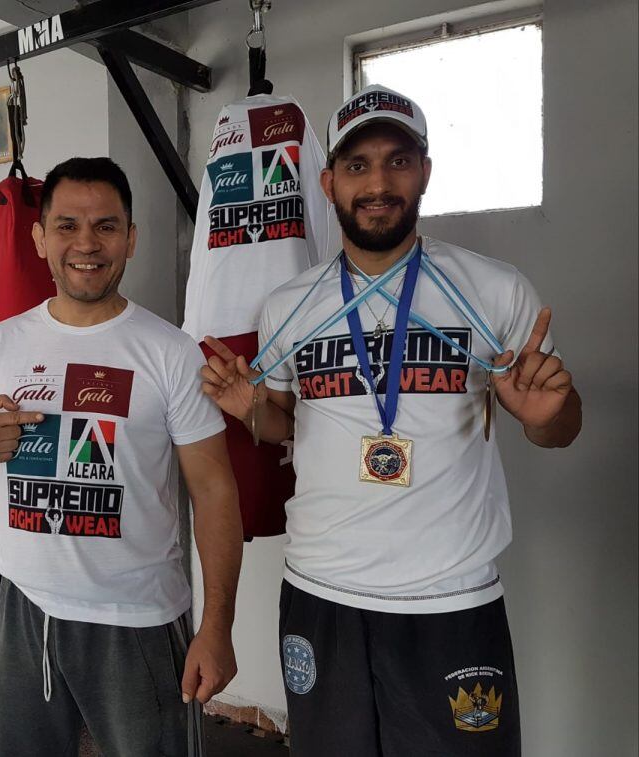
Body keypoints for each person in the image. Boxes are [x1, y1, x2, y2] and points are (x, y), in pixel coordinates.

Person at [201, 84, 581, 756]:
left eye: (397, 161)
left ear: (425, 171)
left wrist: (544, 416)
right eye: (357, 166)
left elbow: (559, 425)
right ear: (328, 183)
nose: (378, 183)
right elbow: (289, 425)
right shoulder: (290, 305)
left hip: (449, 601)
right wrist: (252, 410)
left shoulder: (495, 290)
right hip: (321, 597)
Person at [0, 157, 243, 756]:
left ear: (131, 238)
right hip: (24, 610)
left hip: (138, 619)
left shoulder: (169, 352)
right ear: (38, 237)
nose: (87, 244)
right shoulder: (0, 345)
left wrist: (217, 624)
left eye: (106, 226)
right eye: (67, 225)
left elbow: (215, 491)